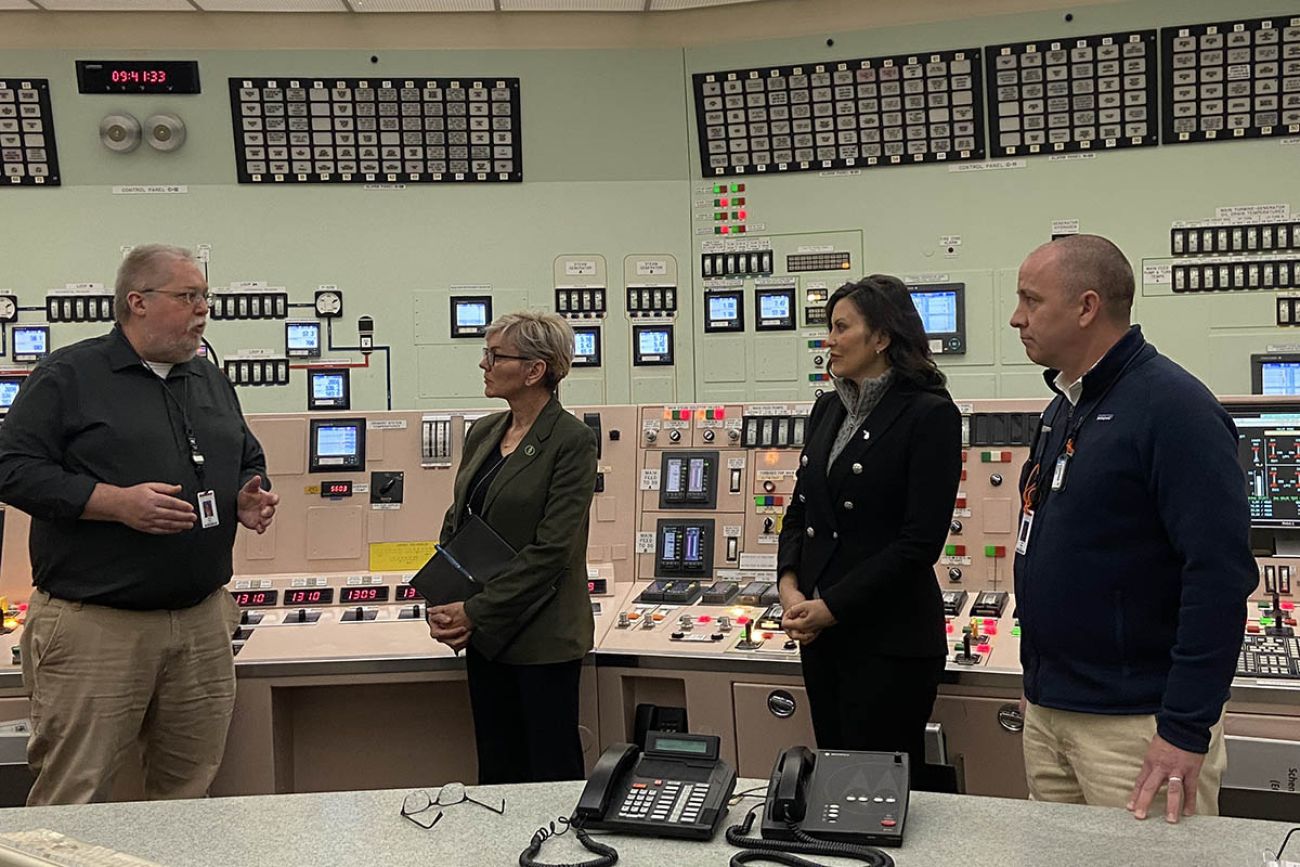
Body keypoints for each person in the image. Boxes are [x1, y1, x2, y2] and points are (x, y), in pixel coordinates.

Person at [0, 244, 279, 806]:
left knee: (186, 794)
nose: (203, 310)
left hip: (200, 622)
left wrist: (247, 495)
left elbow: (245, 454)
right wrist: (112, 502)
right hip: (96, 626)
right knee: (75, 796)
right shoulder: (68, 375)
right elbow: (11, 468)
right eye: (189, 297)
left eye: (206, 297)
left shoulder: (207, 378)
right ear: (138, 302)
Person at [1010, 234, 1256, 822]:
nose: (1017, 318)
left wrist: (1185, 727)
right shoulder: (1066, 405)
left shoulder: (1174, 410)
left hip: (1137, 730)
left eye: (1031, 300)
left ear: (1087, 307)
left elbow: (1218, 577)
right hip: (1052, 712)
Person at [778, 275, 963, 785]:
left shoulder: (930, 415)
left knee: (871, 792)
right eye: (828, 328)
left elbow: (919, 543)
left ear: (881, 337)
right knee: (833, 782)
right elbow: (801, 510)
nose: (829, 340)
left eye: (841, 327)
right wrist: (789, 584)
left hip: (888, 643)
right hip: (822, 637)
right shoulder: (828, 407)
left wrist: (830, 607)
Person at [426, 310, 598, 785]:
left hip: (541, 639)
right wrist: (443, 600)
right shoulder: (483, 432)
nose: (484, 364)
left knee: (549, 776)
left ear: (534, 370)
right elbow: (458, 520)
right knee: (497, 774)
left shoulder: (571, 441)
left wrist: (475, 610)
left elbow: (552, 550)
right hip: (487, 639)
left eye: (494, 355)